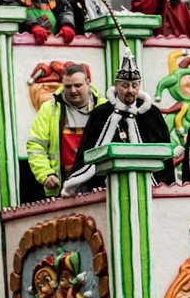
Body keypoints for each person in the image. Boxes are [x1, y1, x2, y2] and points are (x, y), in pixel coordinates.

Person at [62, 52, 177, 194]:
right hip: (106, 190)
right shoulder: (101, 114)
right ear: (116, 85)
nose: (130, 90)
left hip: (148, 189)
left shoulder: (152, 114)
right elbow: (85, 156)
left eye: (134, 85)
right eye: (125, 85)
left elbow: (165, 159)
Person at [28, 64, 106, 198]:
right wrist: (46, 174)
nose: (73, 90)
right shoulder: (49, 109)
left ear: (88, 83)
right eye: (68, 87)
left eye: (78, 85)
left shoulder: (105, 108)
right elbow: (36, 146)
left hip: (99, 186)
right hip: (63, 188)